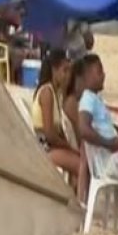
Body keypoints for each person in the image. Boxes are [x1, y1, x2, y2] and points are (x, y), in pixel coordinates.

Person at [32, 48, 85, 202]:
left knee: (80, 164)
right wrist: (70, 148)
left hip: (51, 145)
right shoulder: (47, 93)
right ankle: (78, 204)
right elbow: (50, 134)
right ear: (54, 70)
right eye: (65, 70)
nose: (68, 75)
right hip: (44, 148)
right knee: (81, 166)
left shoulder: (56, 94)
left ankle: (74, 199)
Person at [76, 53, 118, 183]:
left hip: (111, 156)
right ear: (87, 76)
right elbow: (83, 129)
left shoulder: (96, 99)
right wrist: (109, 144)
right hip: (107, 162)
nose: (104, 75)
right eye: (99, 71)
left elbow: (101, 126)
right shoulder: (88, 99)